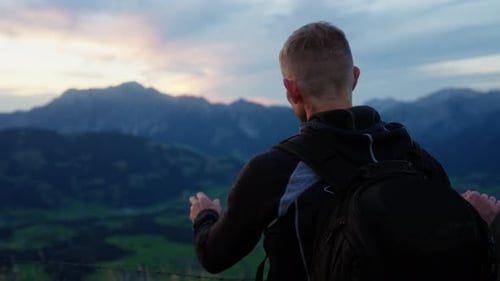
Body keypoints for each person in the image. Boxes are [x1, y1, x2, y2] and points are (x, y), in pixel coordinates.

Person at [189, 21, 500, 280]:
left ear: (291, 89)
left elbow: (214, 257)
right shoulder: (415, 158)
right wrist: (474, 223)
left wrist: (205, 216)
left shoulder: (273, 171)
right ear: (355, 77)